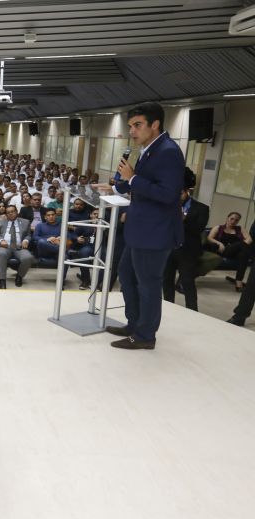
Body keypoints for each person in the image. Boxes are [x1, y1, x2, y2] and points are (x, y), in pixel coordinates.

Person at [94, 102, 185, 350]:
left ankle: (146, 335)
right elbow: (139, 182)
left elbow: (167, 194)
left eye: (137, 125)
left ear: (155, 125)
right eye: (130, 126)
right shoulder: (149, 148)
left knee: (148, 284)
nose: (132, 131)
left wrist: (132, 178)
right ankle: (134, 323)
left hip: (155, 233)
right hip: (140, 230)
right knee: (126, 275)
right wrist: (115, 186)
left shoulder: (168, 151)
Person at [162, 168, 209, 311]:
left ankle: (192, 310)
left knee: (187, 282)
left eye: (180, 193)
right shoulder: (169, 206)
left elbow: (199, 228)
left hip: (188, 251)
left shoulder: (202, 208)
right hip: (169, 249)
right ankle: (169, 305)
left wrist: (184, 220)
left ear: (186, 191)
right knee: (167, 280)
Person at [206, 211, 252, 292]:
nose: (233, 221)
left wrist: (239, 246)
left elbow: (249, 239)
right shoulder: (218, 228)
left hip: (235, 253)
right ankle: (239, 282)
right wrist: (219, 243)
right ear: (227, 218)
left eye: (236, 220)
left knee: (243, 254)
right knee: (242, 246)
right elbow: (209, 238)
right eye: (232, 219)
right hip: (223, 251)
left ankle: (238, 282)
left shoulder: (240, 229)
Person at [0, 205, 34, 289]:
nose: (11, 214)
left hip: (19, 247)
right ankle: (2, 280)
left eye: (12, 211)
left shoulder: (26, 222)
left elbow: (29, 235)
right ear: (6, 214)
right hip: (5, 247)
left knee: (28, 257)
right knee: (1, 253)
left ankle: (19, 276)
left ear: (17, 212)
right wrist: (1, 240)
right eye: (8, 212)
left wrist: (26, 240)